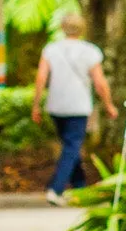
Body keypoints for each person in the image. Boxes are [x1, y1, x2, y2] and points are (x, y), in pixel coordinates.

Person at [30, 12, 117, 205]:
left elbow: (41, 78)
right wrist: (109, 104)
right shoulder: (89, 51)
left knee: (71, 146)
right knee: (72, 146)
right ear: (82, 28)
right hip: (78, 106)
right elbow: (100, 82)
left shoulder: (51, 49)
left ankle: (79, 188)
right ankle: (56, 188)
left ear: (62, 27)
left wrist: (36, 104)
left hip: (56, 106)